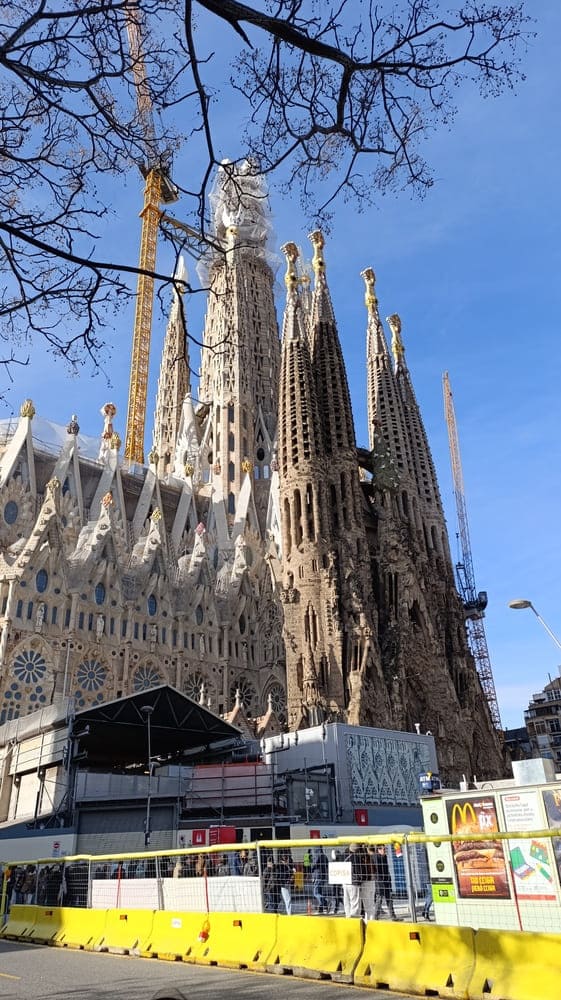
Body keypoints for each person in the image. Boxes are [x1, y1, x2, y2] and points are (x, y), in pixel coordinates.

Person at [373, 845, 399, 920]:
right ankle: (376, 916)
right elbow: (377, 870)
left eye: (385, 849)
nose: (384, 850)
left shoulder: (384, 857)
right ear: (378, 850)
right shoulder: (376, 857)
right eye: (382, 849)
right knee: (379, 898)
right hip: (379, 881)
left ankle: (392, 915)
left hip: (386, 880)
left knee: (389, 898)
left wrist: (388, 878)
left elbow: (385, 869)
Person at [343, 843, 364, 918]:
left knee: (347, 902)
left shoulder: (344, 856)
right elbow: (359, 870)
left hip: (345, 881)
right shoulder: (356, 858)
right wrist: (360, 880)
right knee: (355, 903)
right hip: (354, 882)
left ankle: (348, 918)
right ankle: (354, 919)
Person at [311, 846, 329, 914]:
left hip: (317, 876)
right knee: (320, 892)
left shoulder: (317, 855)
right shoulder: (324, 856)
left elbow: (313, 865)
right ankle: (321, 908)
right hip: (323, 876)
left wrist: (311, 867)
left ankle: (325, 901)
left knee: (315, 893)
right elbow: (327, 865)